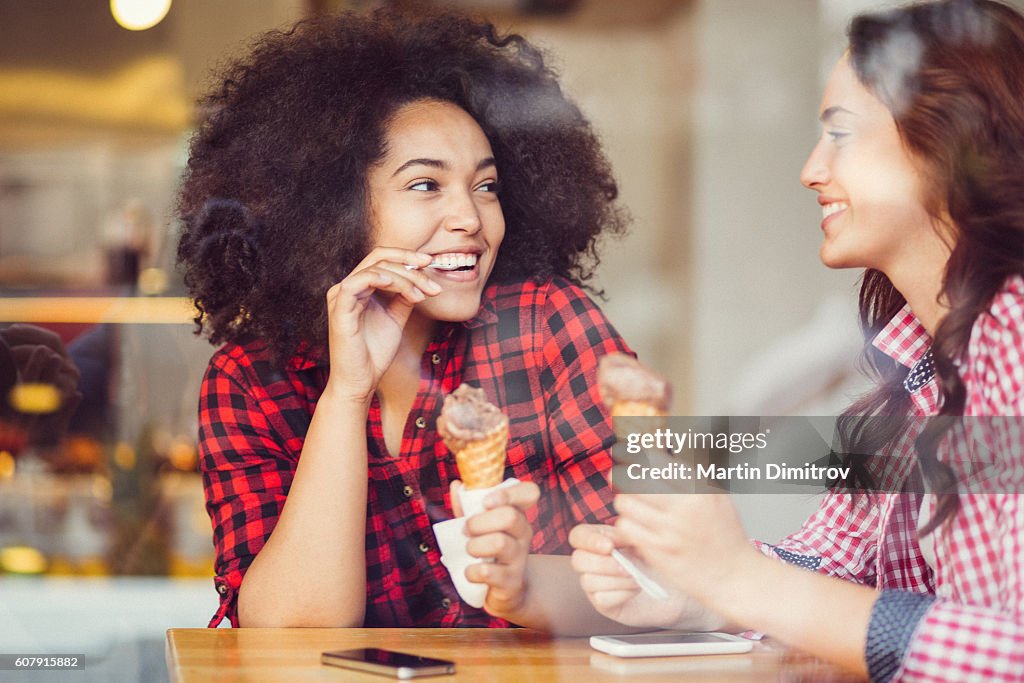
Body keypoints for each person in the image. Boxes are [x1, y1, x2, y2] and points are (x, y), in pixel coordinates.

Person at [569, 0, 1024, 680]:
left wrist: (741, 579)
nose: (811, 170)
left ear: (946, 139)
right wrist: (688, 591)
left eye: (840, 133)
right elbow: (831, 564)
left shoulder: (1014, 332)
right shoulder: (914, 377)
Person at [176, 8, 638, 632]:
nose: (470, 219)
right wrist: (347, 393)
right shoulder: (251, 383)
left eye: (487, 186)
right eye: (425, 185)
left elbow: (653, 581)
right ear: (328, 211)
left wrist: (525, 583)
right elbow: (289, 631)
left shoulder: (550, 325)